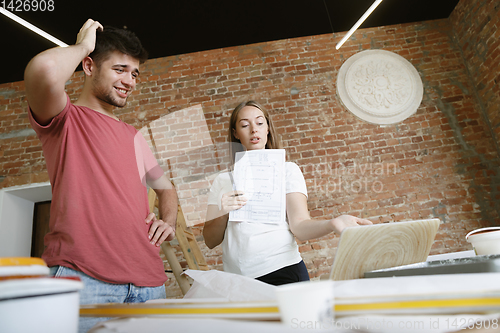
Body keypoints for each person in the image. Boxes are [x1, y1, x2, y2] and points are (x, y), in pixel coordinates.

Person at [25, 19, 178, 332]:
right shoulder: (64, 118)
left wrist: (169, 221)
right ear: (89, 66)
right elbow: (43, 71)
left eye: (135, 73)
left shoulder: (134, 136)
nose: (130, 81)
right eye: (120, 69)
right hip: (84, 280)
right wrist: (84, 44)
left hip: (149, 286)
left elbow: (166, 189)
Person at [203, 101, 372, 285]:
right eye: (244, 125)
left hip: (282, 270)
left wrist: (333, 223)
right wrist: (223, 212)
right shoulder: (223, 180)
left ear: (268, 129)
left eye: (260, 123)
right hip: (238, 280)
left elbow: (299, 226)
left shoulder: (288, 170)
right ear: (236, 133)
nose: (253, 130)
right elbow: (210, 240)